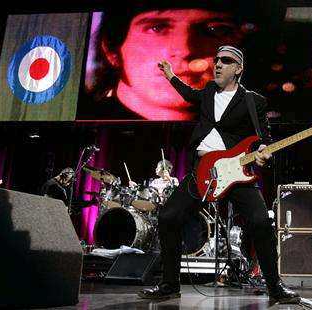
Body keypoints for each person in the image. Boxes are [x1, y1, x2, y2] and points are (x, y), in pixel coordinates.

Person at [137, 45, 299, 303]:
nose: (218, 64)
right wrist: (170, 75)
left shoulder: (253, 100)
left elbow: (263, 139)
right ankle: (169, 284)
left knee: (259, 222)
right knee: (168, 217)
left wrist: (264, 153)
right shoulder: (209, 92)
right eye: (216, 60)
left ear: (238, 69)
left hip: (235, 173)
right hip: (202, 172)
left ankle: (276, 288)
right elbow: (188, 94)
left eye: (226, 60)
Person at [80, 4, 254, 121]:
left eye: (215, 29)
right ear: (112, 50)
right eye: (157, 28)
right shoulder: (84, 118)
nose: (185, 49)